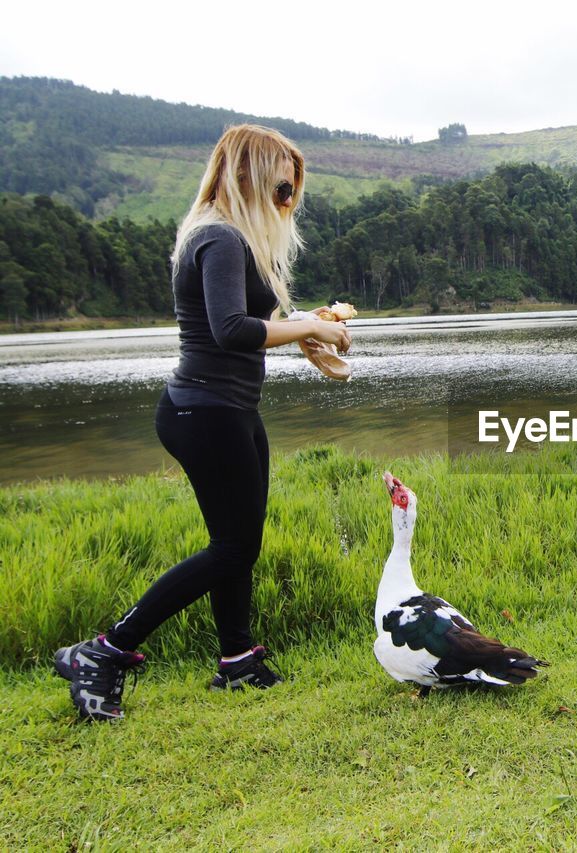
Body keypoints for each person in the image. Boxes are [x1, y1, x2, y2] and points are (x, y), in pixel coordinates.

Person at [53, 125, 351, 721]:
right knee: (232, 548)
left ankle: (238, 660)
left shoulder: (229, 235)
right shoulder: (217, 236)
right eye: (281, 187)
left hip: (226, 409)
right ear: (246, 174)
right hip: (204, 412)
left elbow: (246, 327)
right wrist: (312, 328)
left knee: (237, 546)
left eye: (292, 192)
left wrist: (304, 325)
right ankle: (104, 652)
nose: (286, 202)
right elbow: (230, 330)